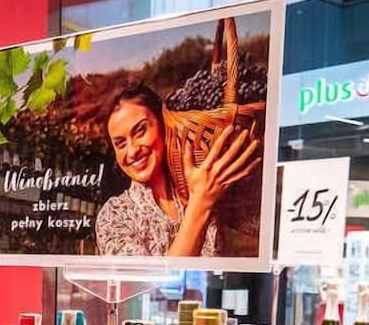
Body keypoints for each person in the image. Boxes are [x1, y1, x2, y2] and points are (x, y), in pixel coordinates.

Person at [95, 82, 261, 257]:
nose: (132, 151)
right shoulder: (115, 216)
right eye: (120, 144)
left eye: (140, 130)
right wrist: (201, 202)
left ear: (163, 124)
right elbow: (153, 282)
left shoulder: (207, 180)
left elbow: (262, 230)